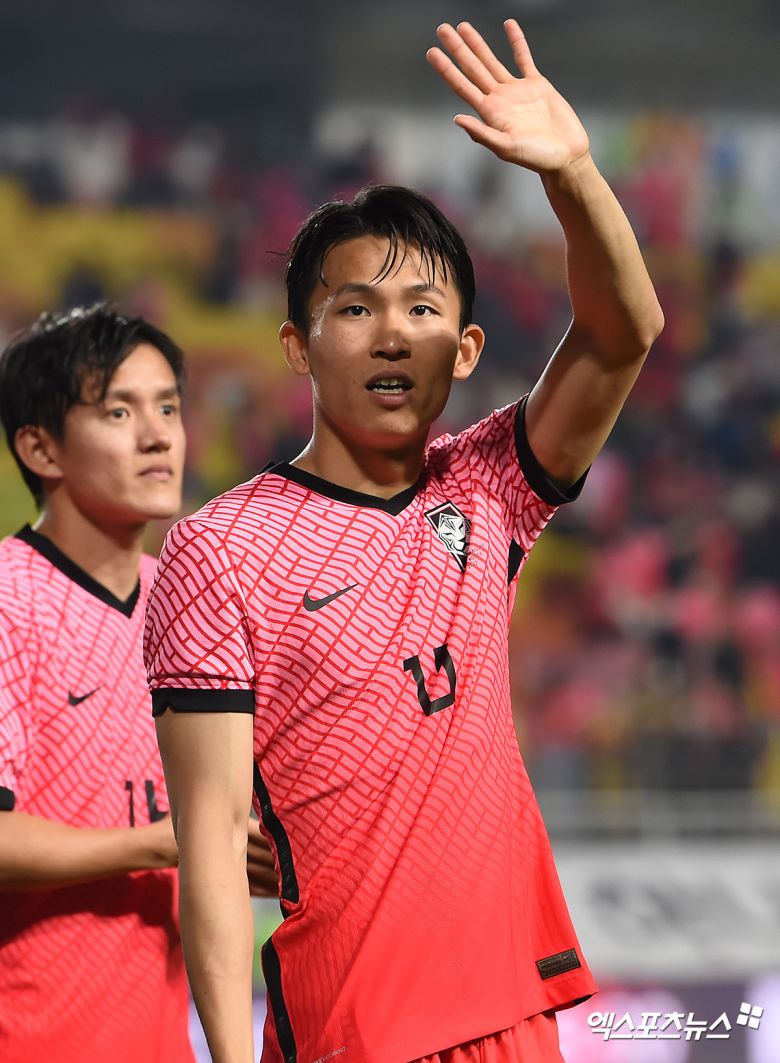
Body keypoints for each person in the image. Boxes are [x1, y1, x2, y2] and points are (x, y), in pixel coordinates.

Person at [144, 19, 664, 1063]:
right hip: (357, 1032)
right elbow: (212, 847)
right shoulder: (220, 550)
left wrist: (572, 174)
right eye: (356, 308)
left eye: (423, 309)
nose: (392, 333)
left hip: (515, 1018)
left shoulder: (488, 488)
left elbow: (622, 334)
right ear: (298, 344)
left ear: (465, 348)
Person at [0, 304, 277, 1063]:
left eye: (169, 408)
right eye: (119, 411)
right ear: (40, 447)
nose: (157, 436)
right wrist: (166, 843)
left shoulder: (192, 602)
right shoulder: (9, 598)